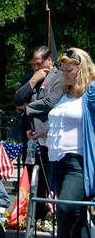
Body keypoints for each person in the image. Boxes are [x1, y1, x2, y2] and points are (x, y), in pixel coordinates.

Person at [40, 48, 95, 237]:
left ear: (83, 69)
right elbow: (62, 123)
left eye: (69, 71)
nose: (64, 75)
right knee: (67, 215)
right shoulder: (67, 93)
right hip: (58, 162)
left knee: (66, 209)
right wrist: (42, 132)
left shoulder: (91, 92)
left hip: (77, 162)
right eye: (62, 70)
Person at [13, 45, 62, 219]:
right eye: (33, 65)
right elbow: (18, 98)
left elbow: (51, 102)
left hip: (48, 136)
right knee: (31, 177)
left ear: (49, 60)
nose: (36, 68)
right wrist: (33, 80)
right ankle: (33, 215)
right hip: (30, 138)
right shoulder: (30, 78)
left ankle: (49, 215)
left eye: (39, 64)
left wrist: (27, 108)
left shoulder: (60, 77)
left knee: (47, 178)